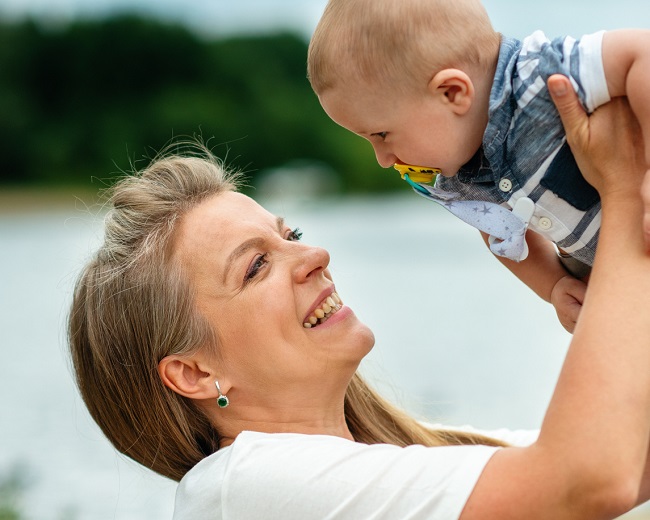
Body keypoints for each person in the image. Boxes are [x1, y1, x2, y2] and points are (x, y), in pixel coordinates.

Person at [68, 76, 650, 519]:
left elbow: (627, 453)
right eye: (257, 265)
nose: (313, 255)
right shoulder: (244, 485)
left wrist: (605, 292)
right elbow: (591, 476)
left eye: (289, 234)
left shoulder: (400, 453)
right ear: (193, 371)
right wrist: (621, 196)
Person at [307, 0, 650, 332]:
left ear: (452, 92)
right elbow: (496, 228)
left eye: (381, 134)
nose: (383, 159)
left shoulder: (540, 74)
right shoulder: (451, 177)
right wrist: (555, 285)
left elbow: (640, 53)